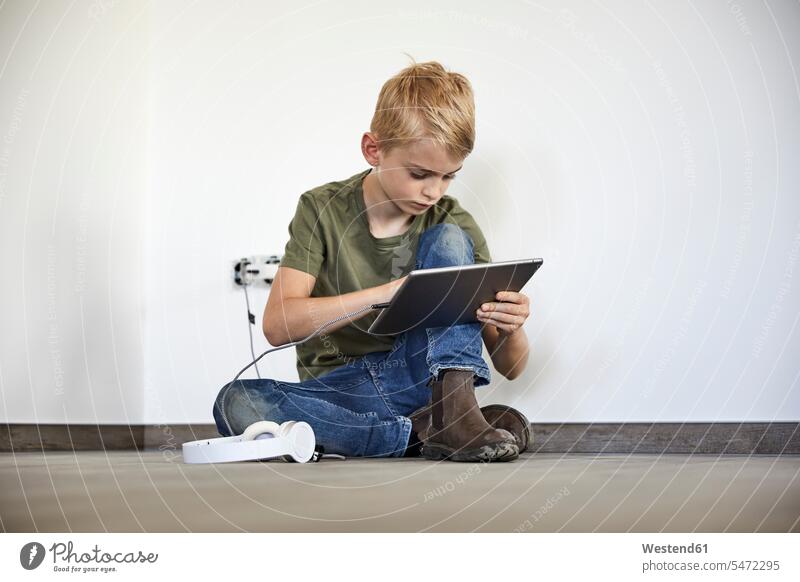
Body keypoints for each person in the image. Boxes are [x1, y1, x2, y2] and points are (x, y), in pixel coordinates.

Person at [213, 59, 532, 462]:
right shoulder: (322, 208)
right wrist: (391, 293)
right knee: (237, 403)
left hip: (423, 378)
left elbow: (512, 367)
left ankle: (452, 411)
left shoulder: (454, 222)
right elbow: (278, 326)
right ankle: (422, 433)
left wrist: (512, 329)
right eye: (419, 173)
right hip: (343, 390)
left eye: (449, 176)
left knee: (450, 239)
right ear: (373, 149)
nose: (434, 190)